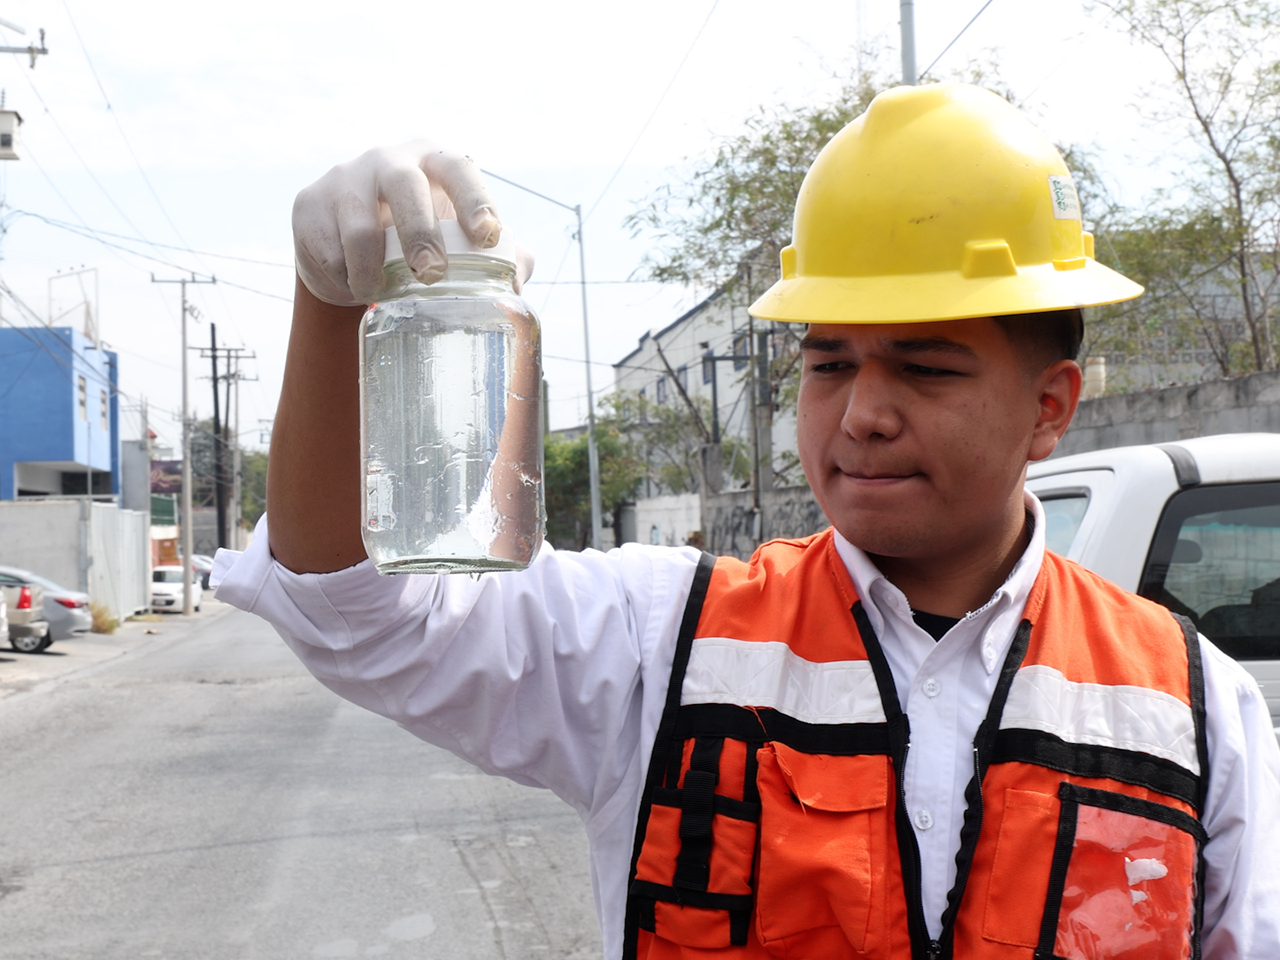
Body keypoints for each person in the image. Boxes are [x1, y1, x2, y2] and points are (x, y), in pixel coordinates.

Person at [213, 83, 1280, 959]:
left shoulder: (1193, 707)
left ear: (1049, 406)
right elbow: (354, 610)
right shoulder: (661, 643)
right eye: (827, 364)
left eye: (922, 367)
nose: (859, 413)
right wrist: (330, 304)